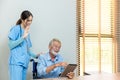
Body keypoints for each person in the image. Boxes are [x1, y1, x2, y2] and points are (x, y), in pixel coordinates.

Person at [8, 10, 40, 80]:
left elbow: (27, 50)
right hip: (16, 63)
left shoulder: (27, 32)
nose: (29, 22)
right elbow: (10, 45)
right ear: (22, 19)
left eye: (31, 20)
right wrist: (23, 37)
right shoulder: (16, 29)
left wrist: (36, 55)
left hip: (24, 63)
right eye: (28, 20)